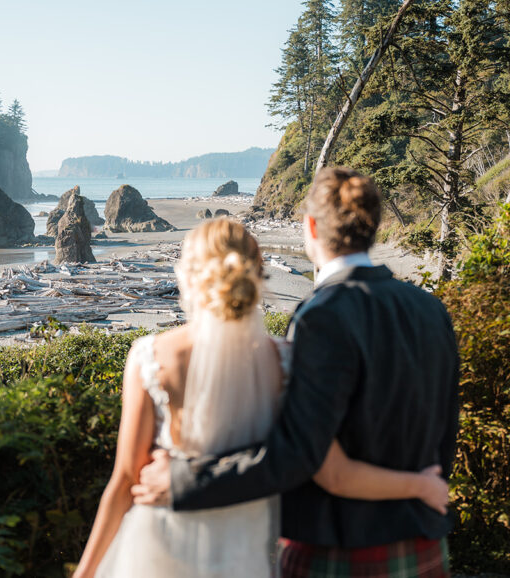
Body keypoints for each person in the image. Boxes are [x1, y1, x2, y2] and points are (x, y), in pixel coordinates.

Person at [74, 217, 450, 578]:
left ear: (189, 275)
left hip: (160, 547)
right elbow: (331, 470)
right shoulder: (284, 361)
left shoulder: (151, 356)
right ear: (256, 273)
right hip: (247, 554)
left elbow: (125, 481)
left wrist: (86, 571)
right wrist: (417, 485)